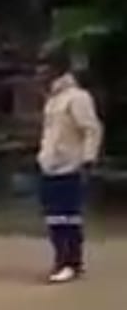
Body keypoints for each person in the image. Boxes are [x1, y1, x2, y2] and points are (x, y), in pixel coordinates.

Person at [37, 49, 103, 284]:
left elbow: (91, 129)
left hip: (70, 165)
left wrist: (88, 159)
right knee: (54, 217)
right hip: (50, 166)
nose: (39, 72)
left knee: (67, 216)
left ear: (57, 69)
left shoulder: (77, 97)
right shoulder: (53, 99)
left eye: (44, 67)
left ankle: (70, 261)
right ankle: (63, 259)